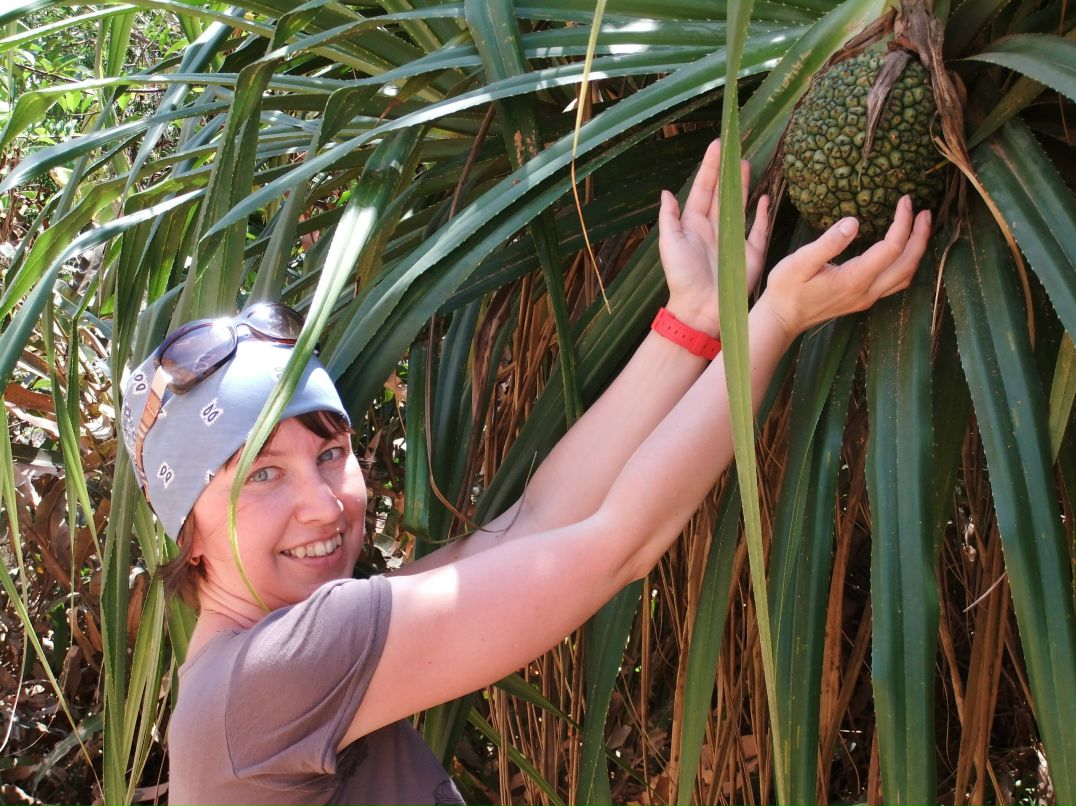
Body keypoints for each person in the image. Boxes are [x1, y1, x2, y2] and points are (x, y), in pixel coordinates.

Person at [120, 140, 931, 805]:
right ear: (187, 528)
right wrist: (778, 319)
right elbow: (617, 546)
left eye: (330, 454)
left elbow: (533, 524)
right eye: (263, 476)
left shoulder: (241, 672)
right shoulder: (280, 672)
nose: (324, 505)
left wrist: (694, 323)